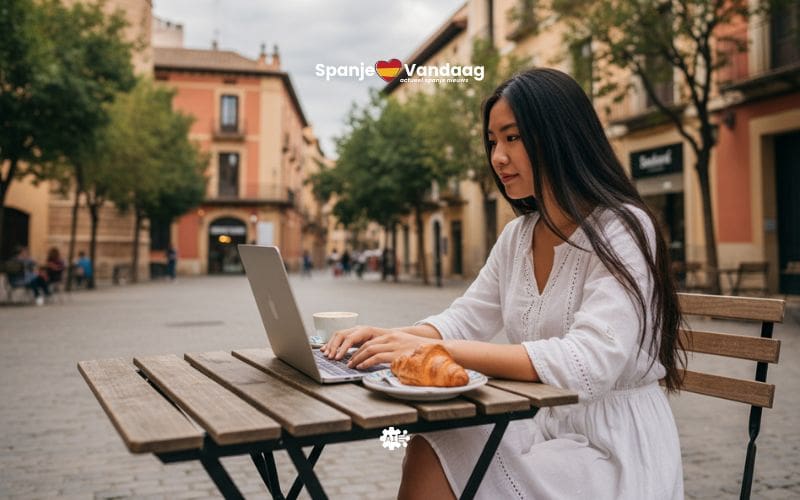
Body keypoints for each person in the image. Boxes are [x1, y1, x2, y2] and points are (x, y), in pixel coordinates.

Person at [322, 68, 685, 499]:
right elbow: (466, 317)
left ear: (560, 136)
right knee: (431, 440)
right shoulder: (518, 235)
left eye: (512, 138)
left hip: (612, 447)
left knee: (439, 449)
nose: (497, 156)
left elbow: (589, 362)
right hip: (540, 425)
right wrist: (390, 337)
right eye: (493, 141)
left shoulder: (623, 228)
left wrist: (435, 352)